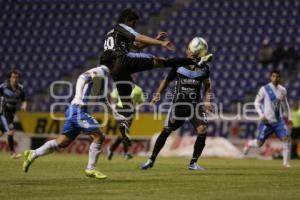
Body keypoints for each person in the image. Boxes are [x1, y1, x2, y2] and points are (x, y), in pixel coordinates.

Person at [22, 51, 127, 179]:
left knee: (62, 142)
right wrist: (78, 96)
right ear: (113, 62)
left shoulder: (104, 77)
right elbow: (83, 77)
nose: (118, 64)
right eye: (117, 61)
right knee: (99, 135)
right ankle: (91, 168)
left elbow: (102, 99)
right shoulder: (101, 71)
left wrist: (116, 115)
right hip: (78, 110)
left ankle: (33, 153)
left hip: (74, 111)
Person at [104, 8, 212, 121]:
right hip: (122, 60)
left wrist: (155, 39)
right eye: (133, 22)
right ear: (127, 20)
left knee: (126, 100)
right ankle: (195, 61)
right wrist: (161, 42)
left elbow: (136, 46)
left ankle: (124, 130)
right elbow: (139, 37)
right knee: (160, 61)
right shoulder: (122, 27)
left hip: (113, 68)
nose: (134, 25)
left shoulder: (112, 34)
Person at [140, 40, 213, 171]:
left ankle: (193, 163)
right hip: (178, 105)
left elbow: (207, 86)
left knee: (202, 129)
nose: (189, 52)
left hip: (195, 106)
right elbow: (166, 80)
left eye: (191, 50)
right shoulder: (179, 66)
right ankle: (151, 159)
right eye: (189, 50)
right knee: (167, 130)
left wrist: (207, 101)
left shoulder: (204, 68)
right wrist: (157, 94)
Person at [243, 70, 292, 167]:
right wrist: (261, 114)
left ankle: (285, 164)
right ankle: (249, 143)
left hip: (279, 122)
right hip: (267, 122)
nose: (275, 78)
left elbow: (285, 104)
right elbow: (256, 102)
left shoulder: (282, 90)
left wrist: (289, 117)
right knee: (259, 143)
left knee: (286, 139)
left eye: (277, 77)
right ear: (271, 77)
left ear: (279, 78)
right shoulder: (264, 89)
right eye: (273, 76)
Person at [107, 80, 145, 160]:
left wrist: (136, 106)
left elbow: (141, 100)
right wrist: (113, 106)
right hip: (120, 109)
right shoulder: (122, 86)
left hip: (130, 110)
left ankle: (111, 149)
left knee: (124, 133)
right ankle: (126, 153)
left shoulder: (138, 89)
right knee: (125, 131)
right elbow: (113, 96)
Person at [0, 69, 27, 159]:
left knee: (1, 132)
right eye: (13, 77)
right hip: (3, 112)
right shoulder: (3, 87)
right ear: (9, 78)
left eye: (17, 77)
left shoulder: (21, 88)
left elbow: (23, 100)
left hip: (11, 114)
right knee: (10, 131)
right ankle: (12, 153)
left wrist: (24, 106)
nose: (15, 79)